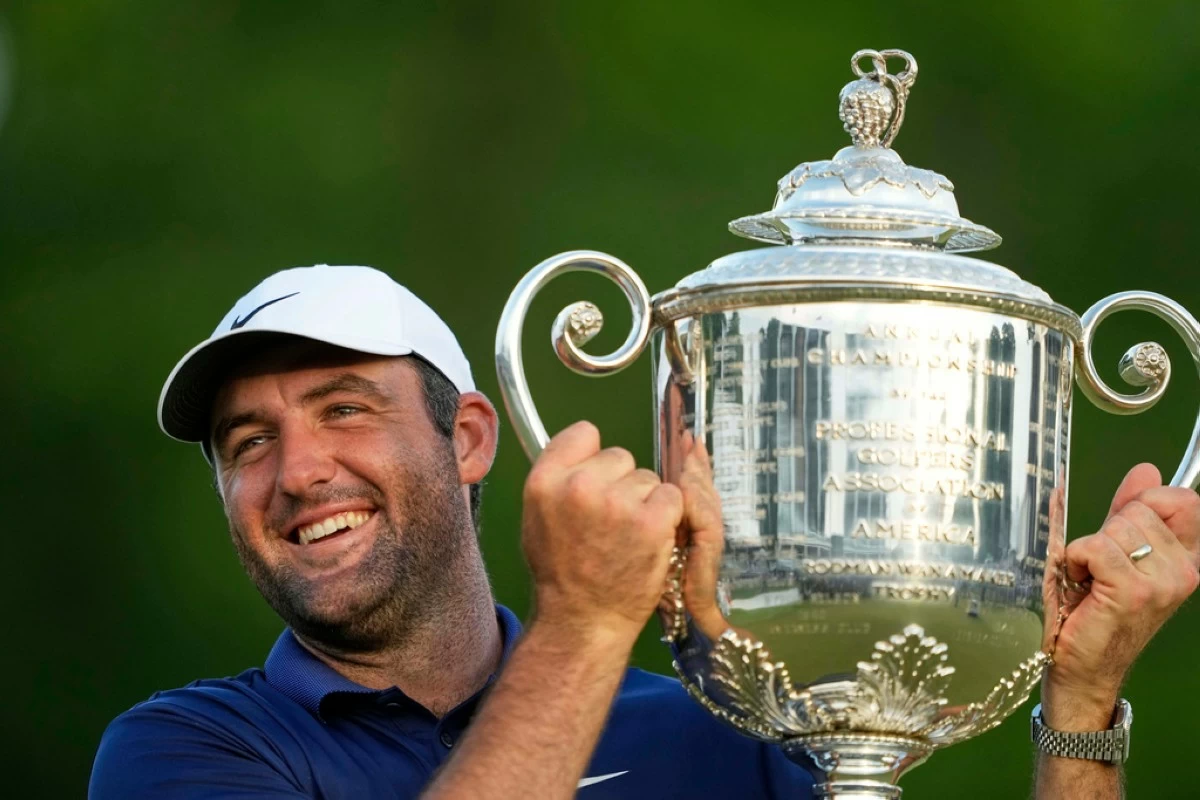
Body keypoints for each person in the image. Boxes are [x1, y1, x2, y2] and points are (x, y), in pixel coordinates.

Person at [89, 264, 1200, 799]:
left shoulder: (725, 729)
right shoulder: (182, 752)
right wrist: (583, 625)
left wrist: (1081, 709)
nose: (296, 471)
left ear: (470, 436)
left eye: (344, 407)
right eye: (247, 442)